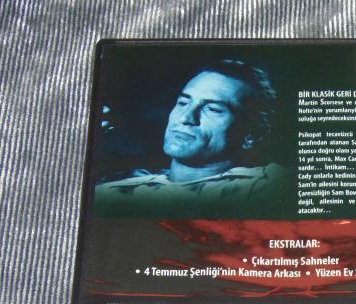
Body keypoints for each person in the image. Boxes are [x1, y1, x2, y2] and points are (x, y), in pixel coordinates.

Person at [95, 59, 289, 218]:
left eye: (212, 109)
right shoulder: (115, 187)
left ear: (252, 134)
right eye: (183, 103)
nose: (186, 118)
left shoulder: (273, 186)